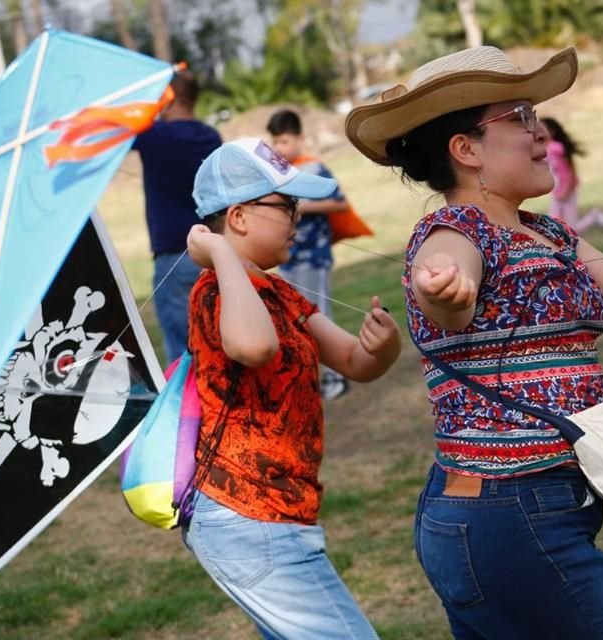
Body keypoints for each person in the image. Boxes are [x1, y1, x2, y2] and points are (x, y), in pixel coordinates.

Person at [345, 45, 603, 639]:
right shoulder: (455, 231)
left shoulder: (550, 234)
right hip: (508, 515)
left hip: (521, 511)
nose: (538, 130)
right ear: (466, 150)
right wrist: (443, 288)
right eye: (517, 117)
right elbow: (445, 279)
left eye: (533, 113)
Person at [182, 137, 401, 639]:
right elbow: (255, 347)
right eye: (286, 206)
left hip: (281, 514)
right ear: (237, 217)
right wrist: (217, 253)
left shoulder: (278, 292)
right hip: (248, 517)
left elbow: (352, 360)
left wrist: (382, 347)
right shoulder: (215, 288)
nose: (298, 219)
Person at [132, 70, 222, 364]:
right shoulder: (210, 136)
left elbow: (125, 125)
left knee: (182, 351)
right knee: (217, 336)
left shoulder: (155, 135)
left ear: (167, 100)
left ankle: (188, 408)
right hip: (212, 251)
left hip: (172, 255)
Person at [267, 108, 350, 400]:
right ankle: (309, 377)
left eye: (285, 141)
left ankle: (335, 377)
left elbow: (340, 204)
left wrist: (302, 208)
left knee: (319, 315)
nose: (280, 148)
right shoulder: (278, 175)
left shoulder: (314, 168)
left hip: (314, 258)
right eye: (275, 142)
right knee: (296, 318)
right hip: (289, 258)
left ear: (300, 138)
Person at [542, 117, 603, 233]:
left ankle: (594, 216)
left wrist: (565, 191)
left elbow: (568, 171)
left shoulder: (555, 148)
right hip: (556, 191)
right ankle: (593, 216)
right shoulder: (547, 148)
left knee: (571, 230)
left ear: (552, 131)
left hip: (566, 190)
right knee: (556, 226)